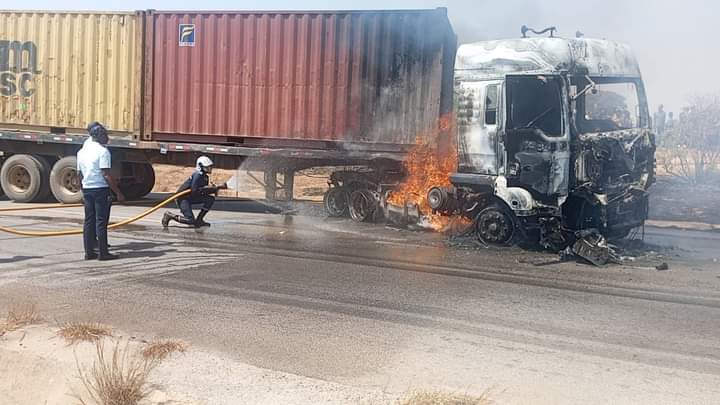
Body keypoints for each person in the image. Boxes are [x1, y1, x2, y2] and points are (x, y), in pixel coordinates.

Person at [77, 122, 125, 261]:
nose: (107, 137)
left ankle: (89, 252)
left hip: (87, 189)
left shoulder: (82, 152)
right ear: (99, 136)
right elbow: (106, 174)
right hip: (100, 189)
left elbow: (79, 174)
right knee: (101, 222)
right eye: (105, 134)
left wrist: (83, 190)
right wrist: (118, 192)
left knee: (89, 221)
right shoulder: (103, 152)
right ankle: (103, 253)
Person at [162, 156, 226, 228]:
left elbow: (202, 191)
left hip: (190, 197)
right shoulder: (197, 176)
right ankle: (169, 216)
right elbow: (195, 191)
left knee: (210, 199)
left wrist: (213, 189)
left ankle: (199, 220)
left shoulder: (205, 177)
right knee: (190, 221)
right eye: (208, 167)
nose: (210, 168)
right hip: (183, 199)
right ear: (201, 166)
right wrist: (212, 189)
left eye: (210, 167)